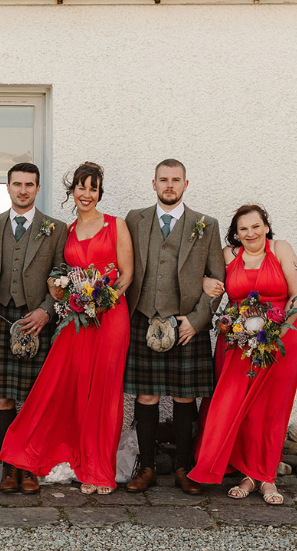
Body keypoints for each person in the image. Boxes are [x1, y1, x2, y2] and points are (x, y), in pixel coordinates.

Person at [1, 162, 133, 494]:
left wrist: (105, 300)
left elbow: (127, 273)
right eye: (81, 187)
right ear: (71, 190)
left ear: (99, 192)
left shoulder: (117, 226)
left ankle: (99, 470)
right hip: (75, 319)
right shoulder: (67, 231)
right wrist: (61, 291)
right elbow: (60, 274)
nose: (86, 194)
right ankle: (60, 455)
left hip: (110, 316)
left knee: (104, 392)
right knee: (67, 386)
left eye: (93, 188)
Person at [188, 205, 297, 504]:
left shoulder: (280, 249)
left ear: (266, 226)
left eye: (256, 226)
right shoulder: (228, 254)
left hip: (282, 339)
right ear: (236, 232)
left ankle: (263, 478)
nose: (250, 233)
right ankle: (237, 468)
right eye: (243, 229)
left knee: (270, 408)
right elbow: (201, 278)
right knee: (231, 402)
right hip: (238, 340)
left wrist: (277, 333)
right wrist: (206, 282)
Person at [123, 159, 226, 494]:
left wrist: (196, 322)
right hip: (143, 319)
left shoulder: (206, 225)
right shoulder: (135, 219)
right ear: (153, 183)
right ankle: (148, 467)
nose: (169, 185)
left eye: (176, 180)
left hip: (185, 325)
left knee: (185, 398)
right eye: (163, 179)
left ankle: (184, 467)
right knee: (147, 394)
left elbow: (218, 281)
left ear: (186, 183)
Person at [0, 162, 68, 494]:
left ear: (38, 188)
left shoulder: (56, 228)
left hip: (38, 322)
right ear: (7, 188)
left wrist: (47, 311)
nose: (23, 189)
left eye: (29, 184)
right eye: (17, 184)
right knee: (2, 398)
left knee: (36, 399)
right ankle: (8, 465)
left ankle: (29, 465)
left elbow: (63, 271)